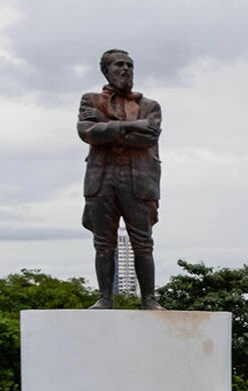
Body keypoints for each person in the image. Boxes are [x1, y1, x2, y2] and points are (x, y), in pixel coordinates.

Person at [76, 49, 162, 309]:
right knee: (103, 243)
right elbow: (87, 132)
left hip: (138, 181)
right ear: (106, 71)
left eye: (129, 65)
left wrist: (106, 127)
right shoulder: (90, 100)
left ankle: (148, 299)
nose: (125, 69)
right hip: (102, 179)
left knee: (143, 243)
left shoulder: (150, 106)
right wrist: (132, 126)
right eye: (119, 65)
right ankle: (105, 298)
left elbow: (148, 137)